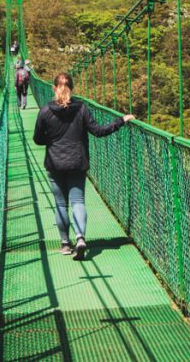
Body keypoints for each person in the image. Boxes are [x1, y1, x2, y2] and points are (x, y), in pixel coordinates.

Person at [32, 73, 134, 259]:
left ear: (54, 88)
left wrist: (53, 140)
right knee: (78, 201)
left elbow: (38, 140)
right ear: (72, 87)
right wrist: (121, 121)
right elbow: (99, 131)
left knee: (61, 204)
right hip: (77, 162)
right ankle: (80, 238)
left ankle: (64, 244)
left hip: (55, 163)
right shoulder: (82, 109)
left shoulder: (45, 111)